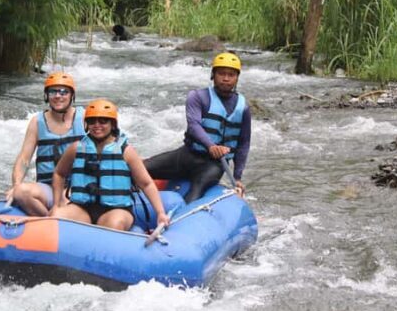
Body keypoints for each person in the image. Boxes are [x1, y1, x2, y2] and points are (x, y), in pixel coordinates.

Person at [144, 51, 251, 202]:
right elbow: (194, 125)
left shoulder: (243, 108)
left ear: (237, 78)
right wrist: (211, 146)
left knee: (195, 194)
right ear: (213, 75)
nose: (226, 78)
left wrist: (237, 177)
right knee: (140, 169)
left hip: (214, 165)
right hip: (187, 156)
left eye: (231, 75)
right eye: (221, 73)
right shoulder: (198, 97)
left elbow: (244, 143)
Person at [50, 99, 170, 231]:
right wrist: (56, 204)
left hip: (117, 209)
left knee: (114, 224)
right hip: (82, 208)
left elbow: (146, 184)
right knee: (56, 216)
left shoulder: (126, 151)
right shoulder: (76, 148)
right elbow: (59, 173)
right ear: (86, 124)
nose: (97, 125)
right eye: (92, 121)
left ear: (112, 124)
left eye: (103, 121)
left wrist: (160, 213)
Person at [6, 72, 85, 216]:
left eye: (64, 92)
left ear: (72, 95)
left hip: (78, 185)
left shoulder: (85, 118)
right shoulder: (37, 122)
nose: (58, 96)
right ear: (46, 95)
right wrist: (16, 185)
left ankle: (56, 216)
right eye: (53, 91)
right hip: (48, 187)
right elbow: (24, 158)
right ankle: (47, 220)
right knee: (20, 192)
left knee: (67, 203)